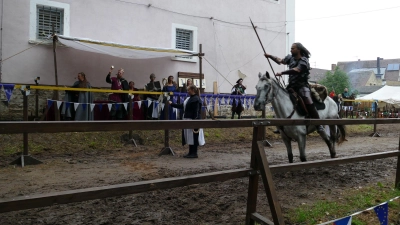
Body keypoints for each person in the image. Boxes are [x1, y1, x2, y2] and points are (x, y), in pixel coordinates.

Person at [264, 42, 324, 132]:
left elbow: (297, 69)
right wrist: (270, 56)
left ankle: (318, 124)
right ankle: (281, 124)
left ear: (298, 49)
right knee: (281, 99)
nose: (291, 50)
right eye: (291, 48)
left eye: (293, 48)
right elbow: (280, 61)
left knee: (307, 99)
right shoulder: (290, 58)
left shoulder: (304, 60)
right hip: (291, 86)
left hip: (302, 86)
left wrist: (282, 73)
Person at [169, 85, 205, 158]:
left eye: (188, 90)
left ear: (192, 90)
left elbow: (196, 111)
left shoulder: (196, 99)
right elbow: (182, 106)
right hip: (188, 120)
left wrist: (194, 121)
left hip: (193, 120)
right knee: (189, 137)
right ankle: (190, 152)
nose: (187, 91)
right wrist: (172, 104)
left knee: (194, 137)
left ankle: (194, 153)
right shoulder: (189, 99)